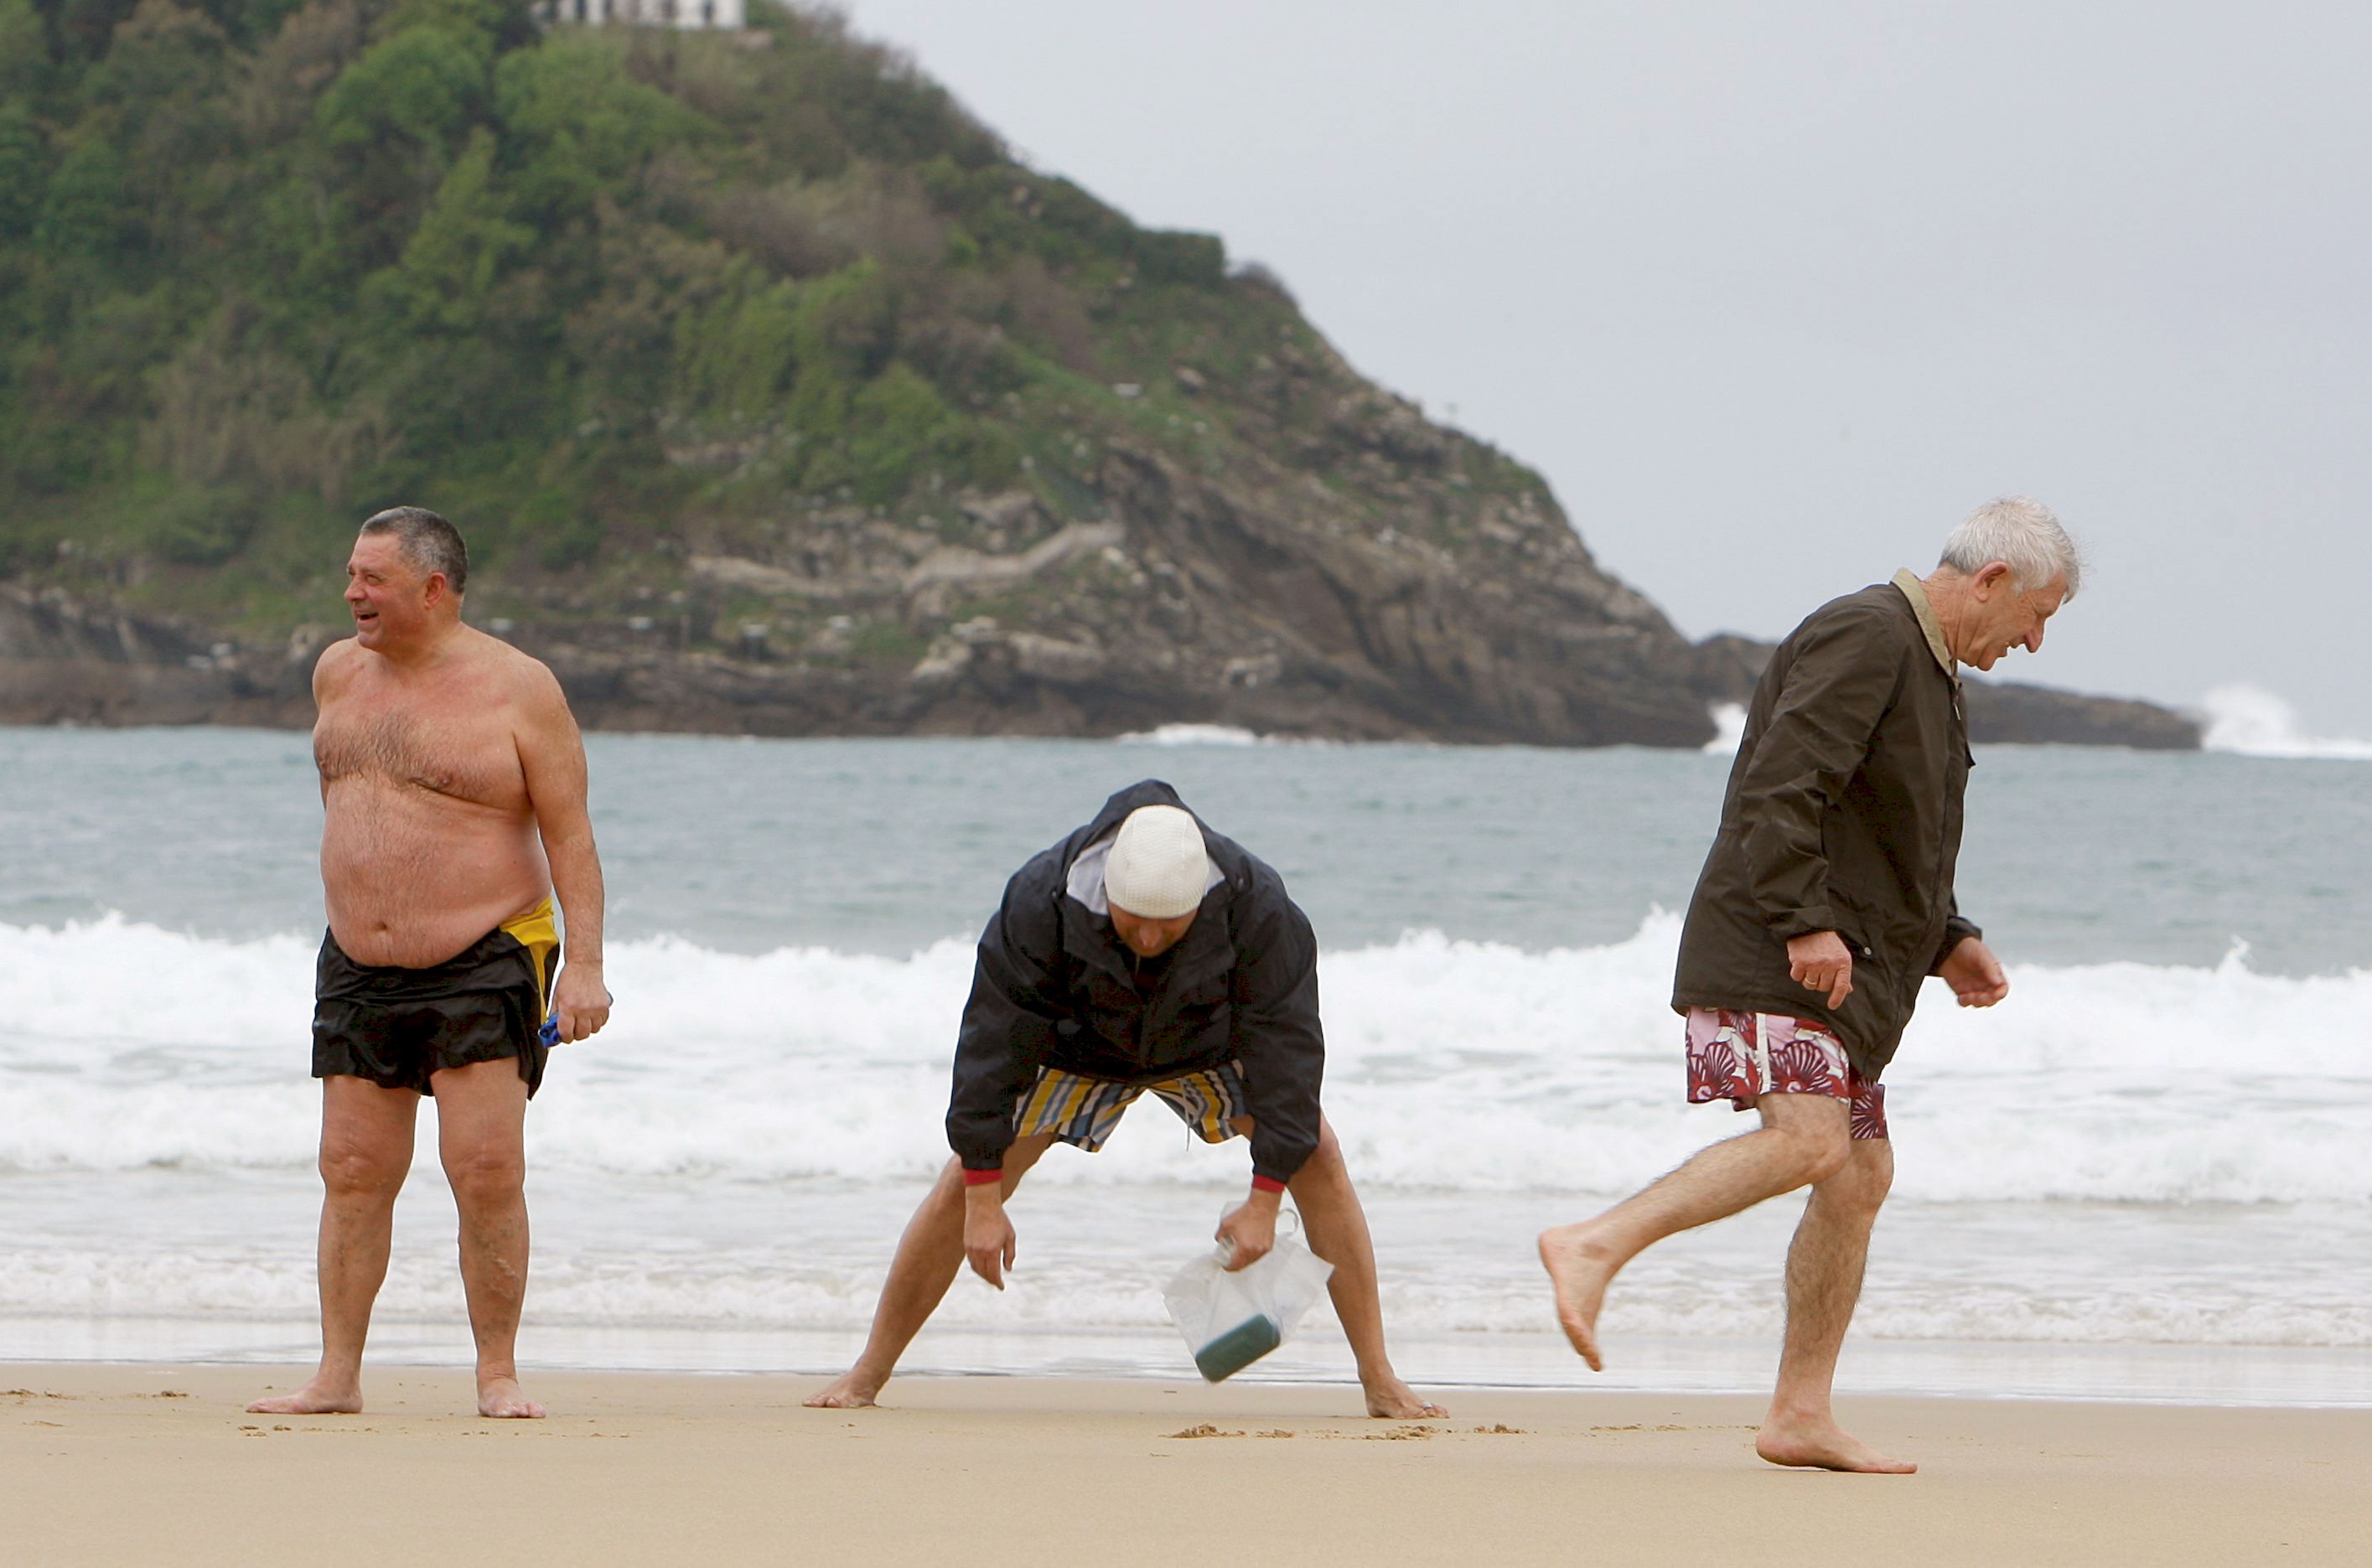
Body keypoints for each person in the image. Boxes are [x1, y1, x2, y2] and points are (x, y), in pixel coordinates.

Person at [1537, 496, 2079, 1472]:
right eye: (2038, 614)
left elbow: (1893, 830)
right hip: (1773, 952)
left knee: (1860, 1172)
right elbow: (1780, 784)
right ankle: (1595, 1243)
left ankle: (1800, 1412)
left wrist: (1950, 936)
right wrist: (1802, 920)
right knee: (1811, 1138)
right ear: (1993, 580)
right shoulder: (1867, 633)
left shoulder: (1934, 671)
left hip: (1844, 973)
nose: (2036, 641)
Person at [808, 781, 1448, 1418]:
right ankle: (867, 1373)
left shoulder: (1259, 907)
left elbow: (1288, 1054)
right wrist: (982, 1197)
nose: (1146, 938)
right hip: (1078, 1044)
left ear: (1199, 897)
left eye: (1168, 924)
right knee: (965, 1180)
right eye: (1131, 919)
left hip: (1204, 1042)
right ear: (1108, 890)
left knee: (1320, 1152)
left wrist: (1264, 1197)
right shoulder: (1040, 899)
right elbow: (992, 1043)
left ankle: (1379, 1377)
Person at [250, 508, 611, 1421]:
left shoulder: (518, 690)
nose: (352, 594)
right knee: (351, 1167)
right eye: (351, 575)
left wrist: (586, 968)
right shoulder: (337, 672)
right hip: (358, 960)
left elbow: (571, 835)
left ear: (433, 588)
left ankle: (497, 1372)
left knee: (486, 1167)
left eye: (371, 579)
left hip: (486, 951)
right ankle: (336, 1375)